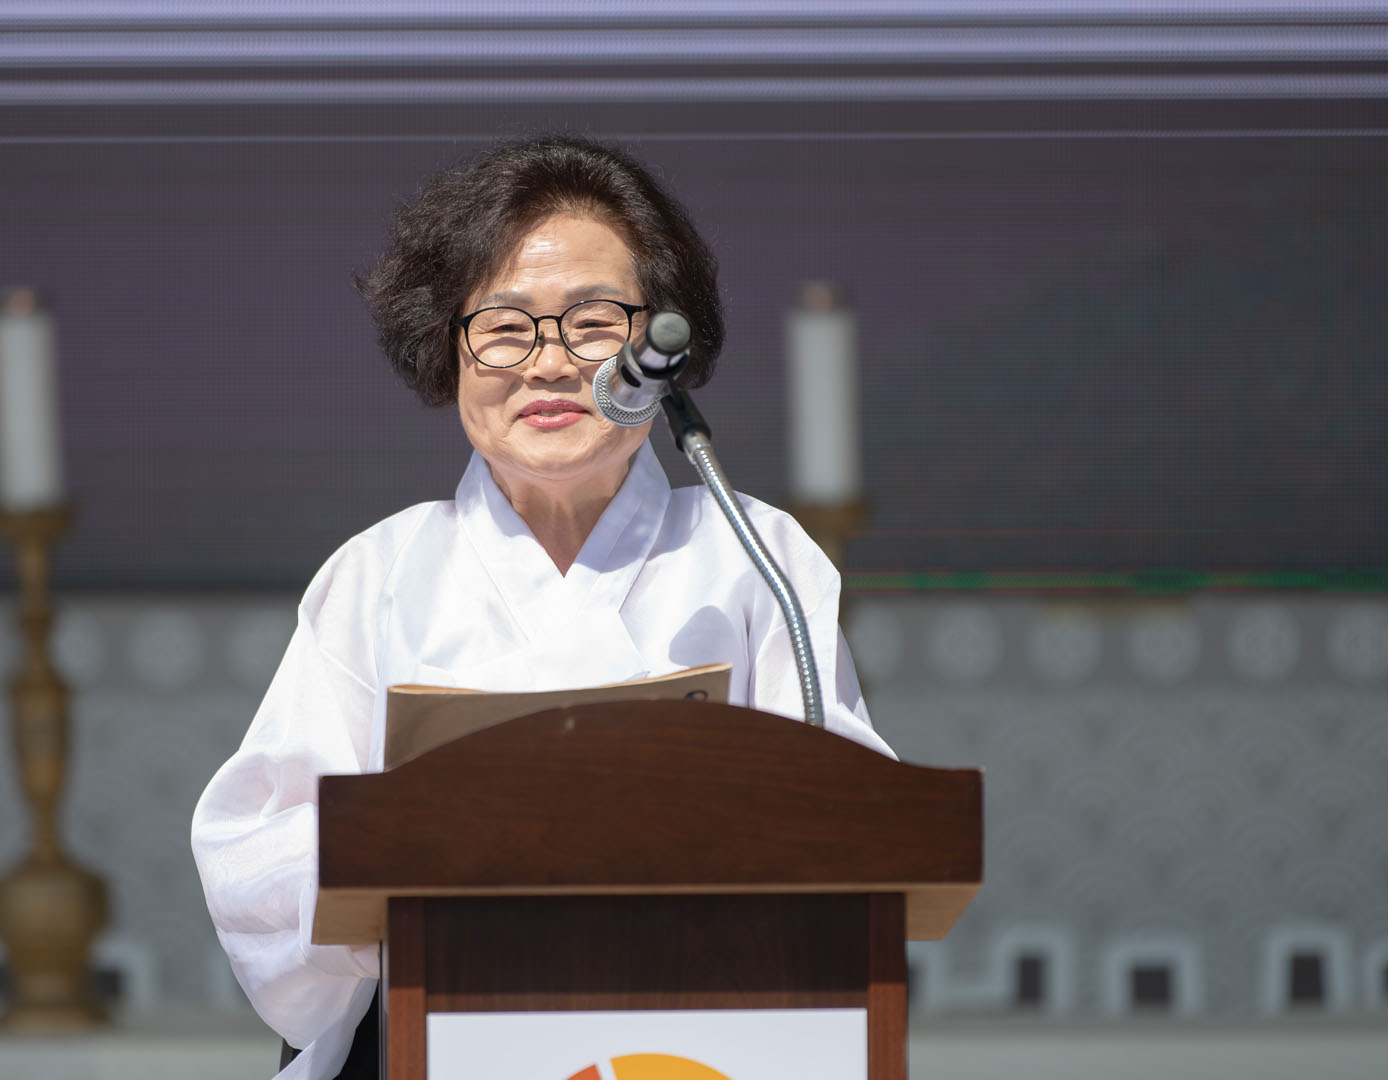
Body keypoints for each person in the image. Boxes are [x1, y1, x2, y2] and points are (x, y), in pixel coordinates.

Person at [190, 135, 894, 1080]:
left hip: (696, 1043)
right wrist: (413, 838)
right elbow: (255, 857)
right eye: (505, 326)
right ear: (448, 348)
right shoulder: (379, 573)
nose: (551, 363)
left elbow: (856, 826)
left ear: (659, 349)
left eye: (595, 322)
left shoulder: (752, 551)